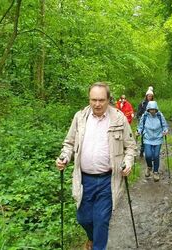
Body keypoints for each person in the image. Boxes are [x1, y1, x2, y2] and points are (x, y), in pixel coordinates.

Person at [56, 82, 137, 250]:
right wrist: (64, 157)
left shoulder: (119, 118)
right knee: (83, 218)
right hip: (84, 179)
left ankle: (97, 246)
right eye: (93, 100)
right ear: (89, 99)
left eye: (101, 100)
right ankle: (92, 239)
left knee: (101, 220)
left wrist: (128, 162)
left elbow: (130, 146)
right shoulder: (80, 117)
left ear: (108, 100)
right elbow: (69, 143)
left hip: (108, 180)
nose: (97, 104)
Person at [136, 101, 168, 182]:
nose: (152, 111)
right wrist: (138, 132)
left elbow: (164, 125)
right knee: (148, 155)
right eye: (151, 109)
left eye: (154, 109)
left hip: (158, 138)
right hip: (147, 138)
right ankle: (149, 167)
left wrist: (165, 130)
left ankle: (156, 172)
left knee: (156, 155)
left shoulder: (160, 115)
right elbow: (140, 126)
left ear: (156, 109)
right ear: (148, 109)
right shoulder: (145, 116)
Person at [136, 86, 154, 157]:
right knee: (143, 136)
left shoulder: (153, 103)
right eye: (149, 96)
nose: (150, 97)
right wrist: (139, 117)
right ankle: (142, 150)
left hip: (152, 123)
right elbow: (138, 113)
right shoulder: (142, 103)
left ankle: (150, 152)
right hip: (143, 122)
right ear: (146, 96)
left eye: (151, 96)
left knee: (151, 136)